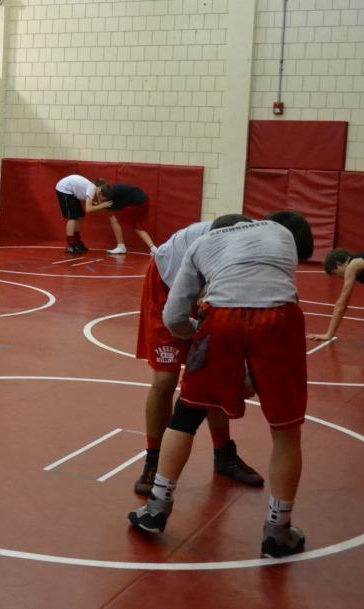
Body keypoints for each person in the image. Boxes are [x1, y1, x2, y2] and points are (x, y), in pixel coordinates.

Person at [128, 211, 314, 559]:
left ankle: (156, 508)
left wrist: (202, 340)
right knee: (286, 430)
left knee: (187, 413)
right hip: (275, 318)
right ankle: (278, 530)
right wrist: (247, 368)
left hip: (220, 315)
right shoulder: (281, 237)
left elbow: (176, 316)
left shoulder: (207, 242)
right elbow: (271, 296)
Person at [133, 214, 263, 497]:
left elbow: (245, 319)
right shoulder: (193, 253)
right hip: (167, 284)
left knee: (213, 370)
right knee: (165, 379)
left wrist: (244, 368)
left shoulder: (258, 250)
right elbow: (175, 316)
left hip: (209, 284)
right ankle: (153, 461)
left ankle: (224, 455)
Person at [95, 182, 158, 255]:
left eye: (103, 198)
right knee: (138, 227)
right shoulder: (112, 193)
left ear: (101, 193)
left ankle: (121, 246)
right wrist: (100, 201)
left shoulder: (115, 194)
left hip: (138, 202)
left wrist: (98, 198)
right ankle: (154, 249)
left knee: (114, 220)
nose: (103, 200)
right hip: (144, 201)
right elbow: (107, 206)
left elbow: (107, 207)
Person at [54, 174, 111, 254]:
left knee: (81, 215)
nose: (102, 200)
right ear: (100, 191)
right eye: (103, 198)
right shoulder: (92, 189)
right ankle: (71, 243)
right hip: (64, 189)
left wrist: (98, 203)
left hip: (71, 190)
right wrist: (102, 205)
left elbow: (87, 199)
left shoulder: (93, 188)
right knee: (72, 217)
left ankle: (76, 239)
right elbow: (88, 209)